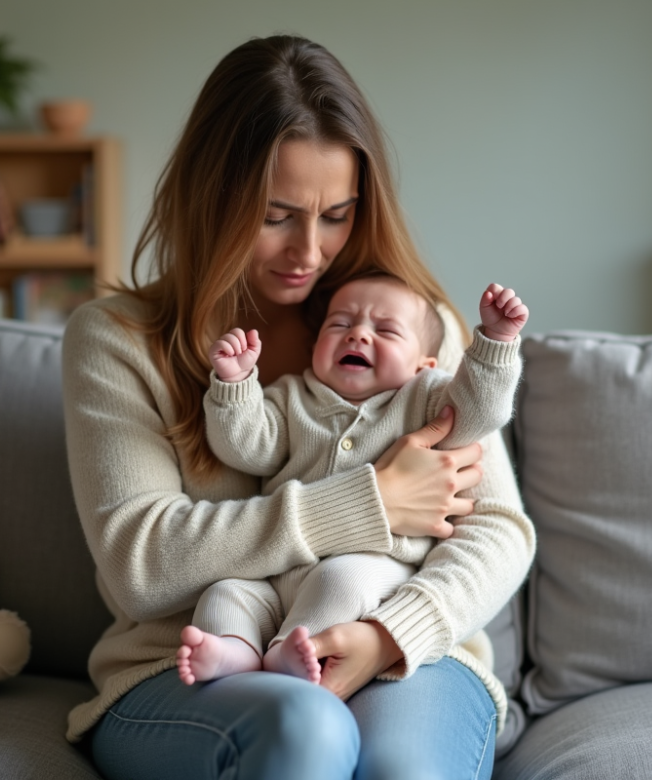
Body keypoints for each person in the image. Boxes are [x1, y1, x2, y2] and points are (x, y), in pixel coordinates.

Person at [61, 34, 536, 780]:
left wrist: (388, 635)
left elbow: (500, 532)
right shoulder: (117, 340)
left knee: (405, 769)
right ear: (210, 195)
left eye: (337, 215)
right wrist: (370, 501)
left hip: (408, 649)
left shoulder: (415, 327)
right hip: (190, 668)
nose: (308, 252)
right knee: (304, 728)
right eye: (276, 215)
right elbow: (141, 564)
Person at [179, 274, 528, 686]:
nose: (358, 335)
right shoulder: (292, 397)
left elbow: (476, 415)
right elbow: (246, 448)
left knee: (340, 580)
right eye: (340, 325)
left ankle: (289, 654)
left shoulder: (427, 396)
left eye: (385, 330)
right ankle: (236, 650)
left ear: (424, 364)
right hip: (277, 574)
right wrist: (236, 386)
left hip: (377, 566)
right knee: (225, 593)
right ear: (315, 349)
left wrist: (495, 343)